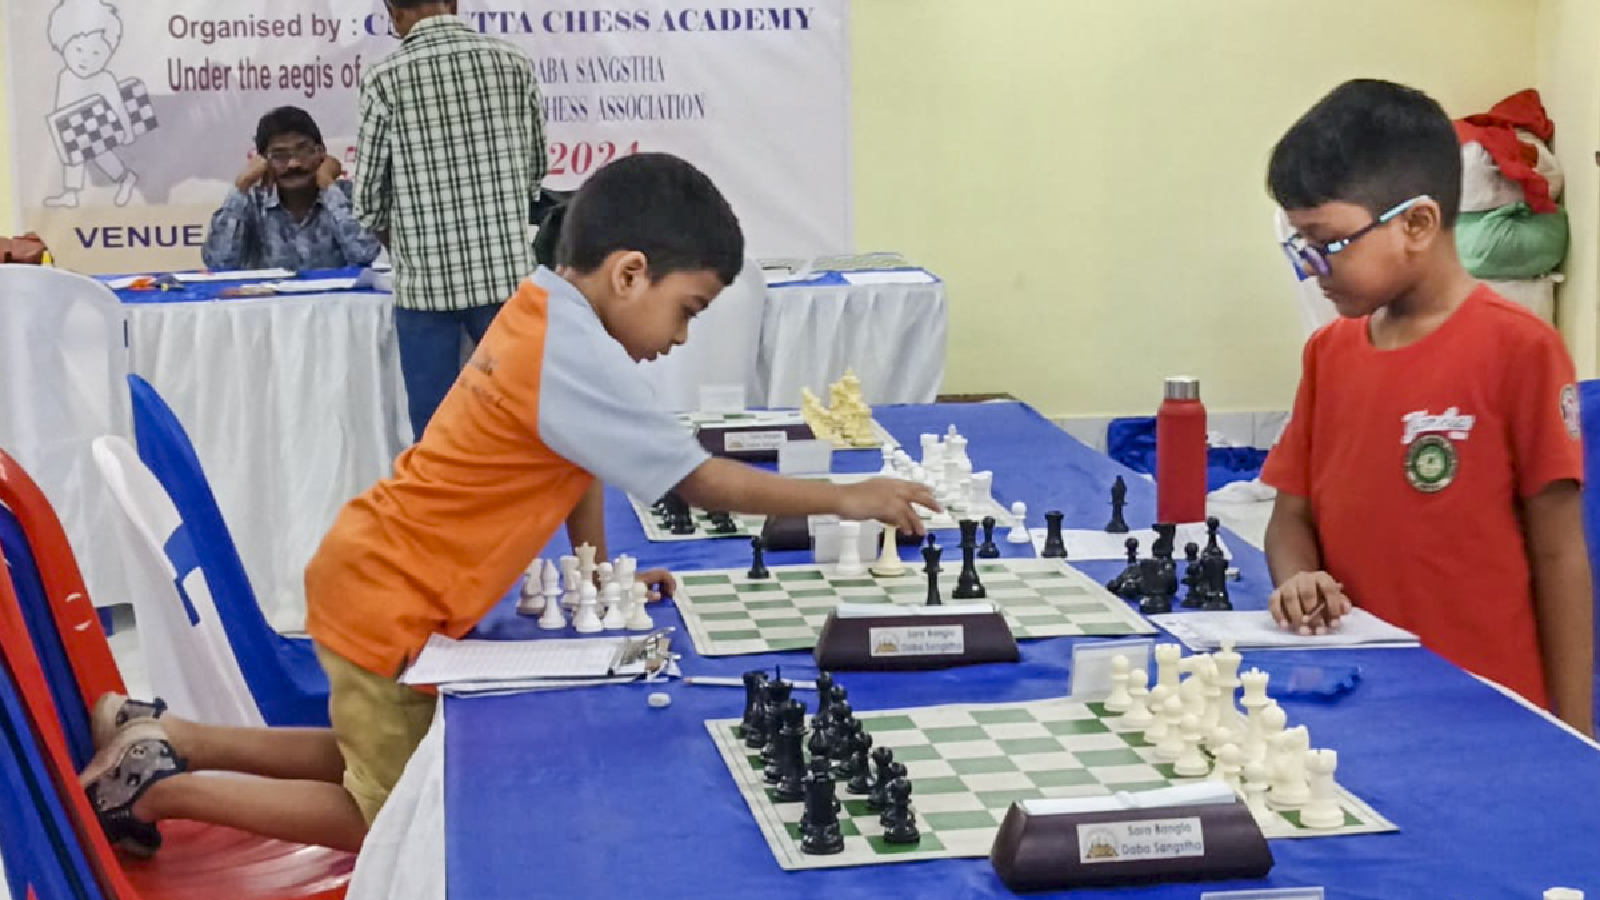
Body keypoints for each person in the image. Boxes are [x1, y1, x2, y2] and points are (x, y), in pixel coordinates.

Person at [76, 153, 938, 855]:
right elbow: (698, 480)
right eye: (687, 311)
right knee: (385, 818)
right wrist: (850, 497)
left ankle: (170, 733)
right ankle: (158, 794)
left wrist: (601, 575)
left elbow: (576, 468)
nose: (680, 337)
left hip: (378, 572)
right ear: (630, 273)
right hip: (391, 596)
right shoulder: (568, 347)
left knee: (392, 766)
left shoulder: (543, 310)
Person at [1261, 79, 1594, 734]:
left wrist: (1577, 734)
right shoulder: (1328, 354)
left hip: (1489, 714)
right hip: (1357, 703)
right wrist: (1298, 579)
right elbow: (1289, 519)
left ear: (1417, 223)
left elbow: (1560, 555)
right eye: (1299, 246)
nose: (1312, 269)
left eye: (1325, 244)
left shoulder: (1520, 349)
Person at [354, 0, 548, 440]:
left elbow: (367, 198)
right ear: (454, 3)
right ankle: (523, 510)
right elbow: (537, 168)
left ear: (393, 11)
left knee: (437, 436)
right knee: (519, 425)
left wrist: (404, 241)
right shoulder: (512, 61)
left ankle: (447, 510)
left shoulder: (385, 78)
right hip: (506, 281)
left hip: (426, 288)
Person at [201, 107, 382, 272]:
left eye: (303, 151)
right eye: (280, 156)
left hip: (338, 306)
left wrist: (327, 184)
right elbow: (218, 263)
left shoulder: (346, 195)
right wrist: (241, 185)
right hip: (269, 307)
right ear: (263, 161)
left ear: (321, 152)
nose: (294, 164)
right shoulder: (251, 202)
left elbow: (365, 255)